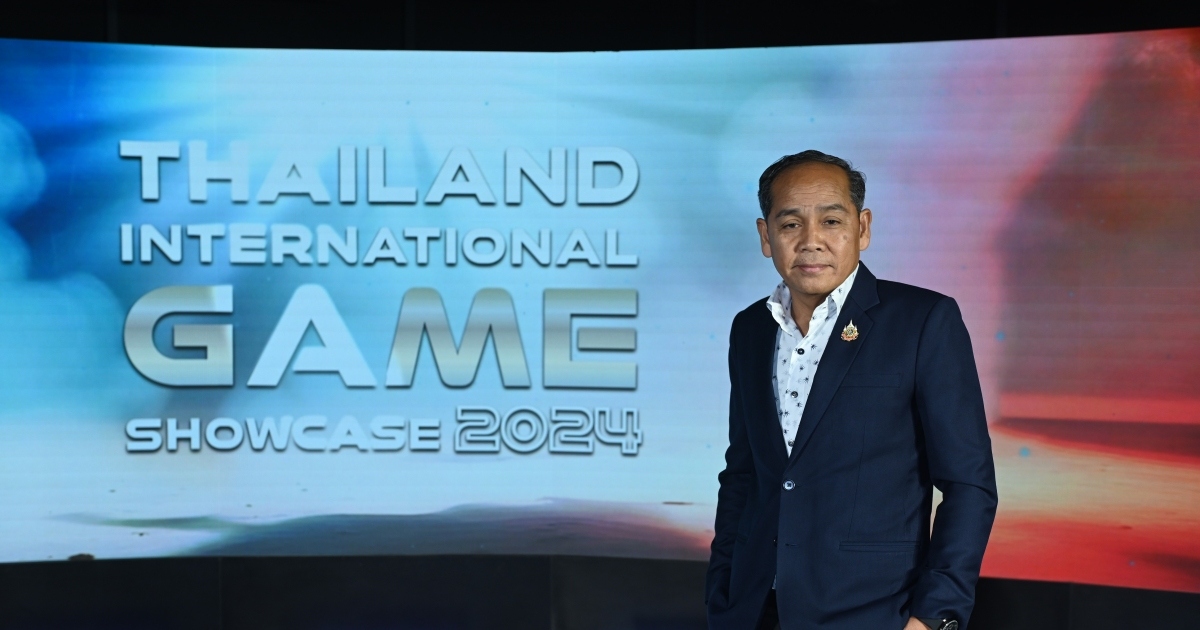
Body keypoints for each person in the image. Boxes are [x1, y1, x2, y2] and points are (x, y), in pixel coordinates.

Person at [705, 151, 998, 630]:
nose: (811, 240)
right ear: (765, 236)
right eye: (790, 224)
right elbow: (743, 474)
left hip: (875, 613)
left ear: (862, 228)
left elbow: (969, 485)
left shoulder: (923, 321)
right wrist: (722, 594)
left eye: (831, 221)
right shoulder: (751, 328)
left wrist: (933, 616)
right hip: (755, 610)